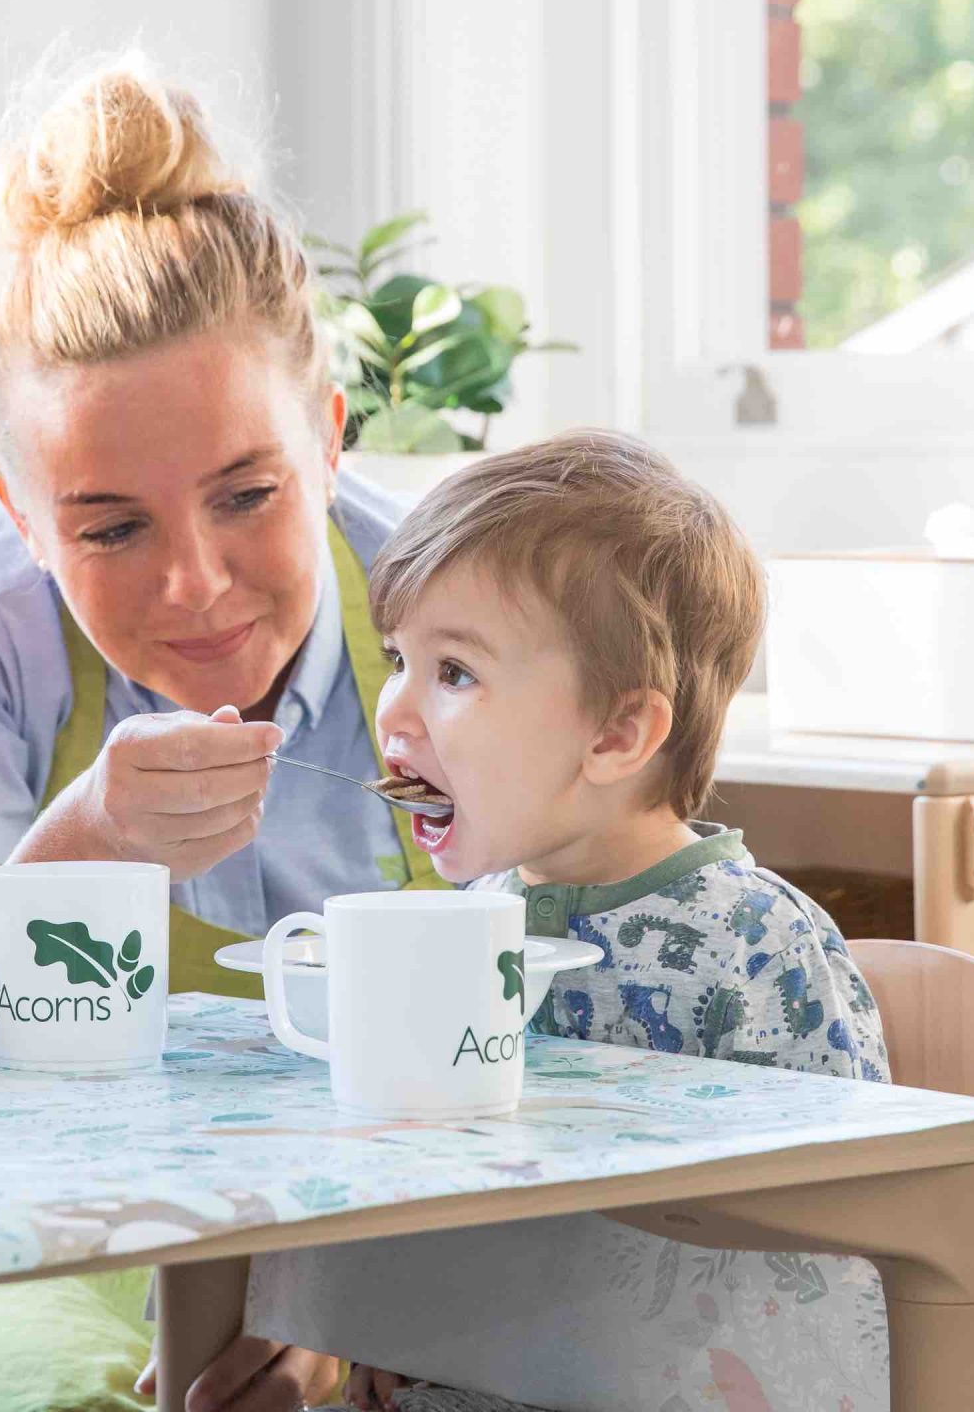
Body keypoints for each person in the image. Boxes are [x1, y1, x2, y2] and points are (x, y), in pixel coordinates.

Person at [0, 56, 434, 1411]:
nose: (195, 585)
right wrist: (89, 842)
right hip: (38, 1225)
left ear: (328, 441)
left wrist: (341, 1303)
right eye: (109, 528)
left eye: (248, 496)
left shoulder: (457, 609)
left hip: (403, 1221)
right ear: (20, 514)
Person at [239, 430, 891, 1412]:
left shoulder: (757, 946)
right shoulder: (472, 917)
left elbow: (832, 1245)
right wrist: (384, 1316)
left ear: (616, 733)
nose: (396, 713)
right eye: (397, 661)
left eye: (453, 672)